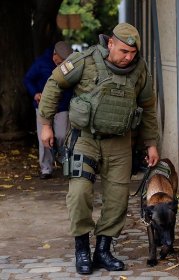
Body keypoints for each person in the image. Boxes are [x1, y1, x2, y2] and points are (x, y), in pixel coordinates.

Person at [38, 23, 159, 275]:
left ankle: (103, 250)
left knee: (117, 199)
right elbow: (54, 83)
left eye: (133, 53)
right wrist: (46, 124)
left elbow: (148, 107)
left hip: (120, 142)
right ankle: (82, 248)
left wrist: (151, 144)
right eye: (124, 51)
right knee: (80, 192)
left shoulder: (140, 70)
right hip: (85, 139)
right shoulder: (85, 60)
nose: (128, 57)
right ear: (111, 43)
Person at [24, 41, 74, 179]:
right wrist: (35, 93)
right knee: (44, 139)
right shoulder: (40, 63)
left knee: (63, 135)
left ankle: (64, 160)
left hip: (62, 106)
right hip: (42, 107)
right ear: (55, 55)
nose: (64, 63)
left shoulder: (69, 64)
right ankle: (46, 168)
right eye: (61, 60)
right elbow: (28, 79)